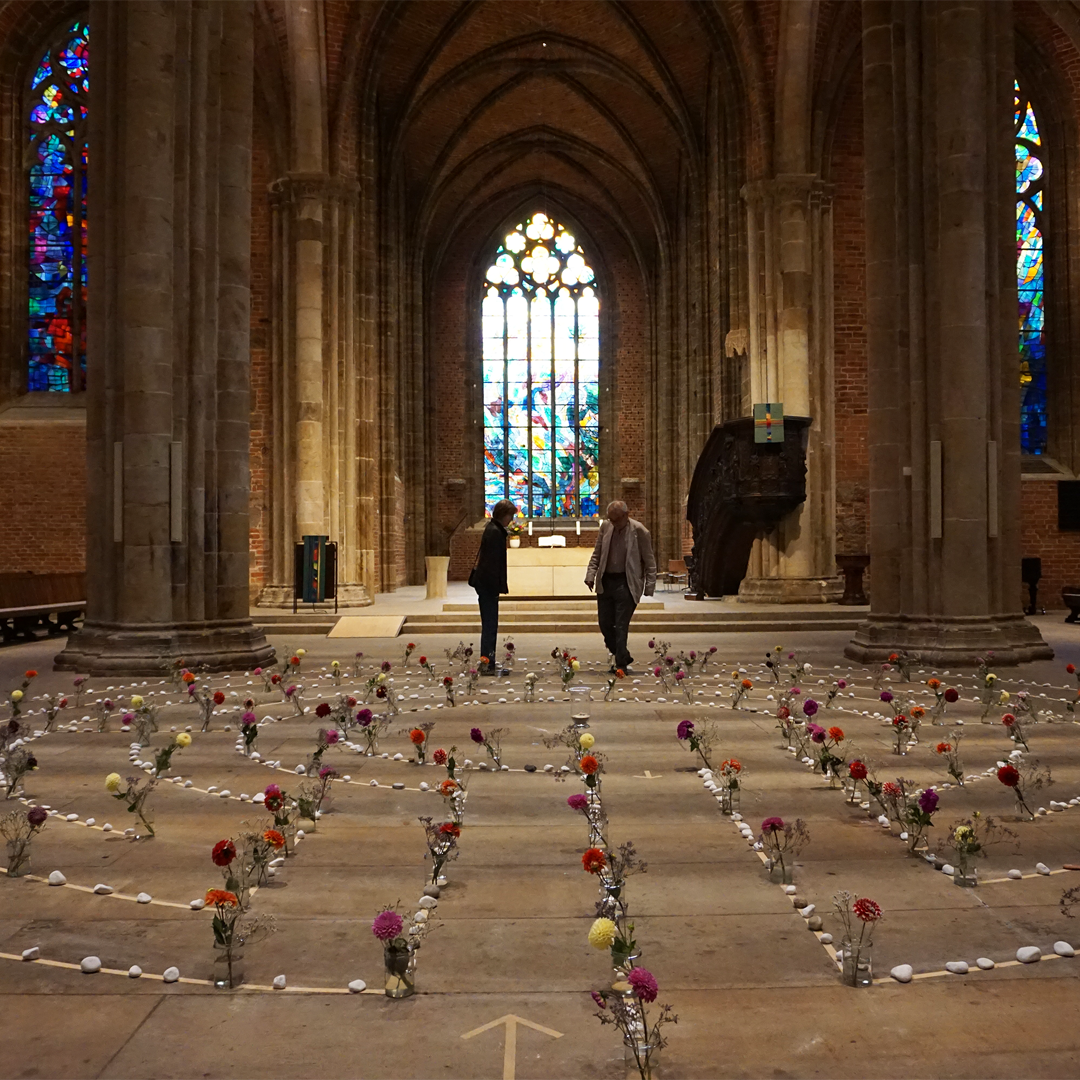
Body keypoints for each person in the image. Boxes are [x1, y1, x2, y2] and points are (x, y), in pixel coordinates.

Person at [585, 501, 656, 673]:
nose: (613, 524)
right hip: (606, 581)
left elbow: (649, 560)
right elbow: (597, 553)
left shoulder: (640, 531)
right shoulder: (606, 528)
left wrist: (649, 586)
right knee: (604, 623)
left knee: (621, 624)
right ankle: (621, 653)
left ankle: (620, 664)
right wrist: (590, 575)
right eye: (610, 519)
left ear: (626, 515)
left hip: (627, 582)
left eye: (616, 520)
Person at [470, 499, 516, 676]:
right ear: (503, 515)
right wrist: (496, 587)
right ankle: (487, 663)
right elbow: (491, 564)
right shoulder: (495, 532)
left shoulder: (493, 529)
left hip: (486, 585)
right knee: (490, 626)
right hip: (488, 586)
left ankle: (488, 661)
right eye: (510, 516)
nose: (511, 520)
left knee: (490, 625)